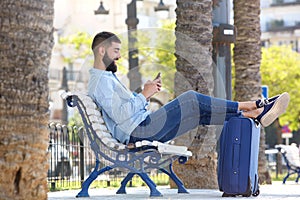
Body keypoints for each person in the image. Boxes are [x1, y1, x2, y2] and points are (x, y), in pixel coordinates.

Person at [88, 31, 290, 145]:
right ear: (102, 50)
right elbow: (120, 115)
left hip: (141, 127)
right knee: (191, 99)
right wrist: (143, 95)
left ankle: (252, 114)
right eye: (116, 51)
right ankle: (253, 104)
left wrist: (145, 94)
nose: (119, 56)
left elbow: (123, 109)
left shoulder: (106, 78)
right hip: (139, 131)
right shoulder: (101, 82)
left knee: (197, 116)